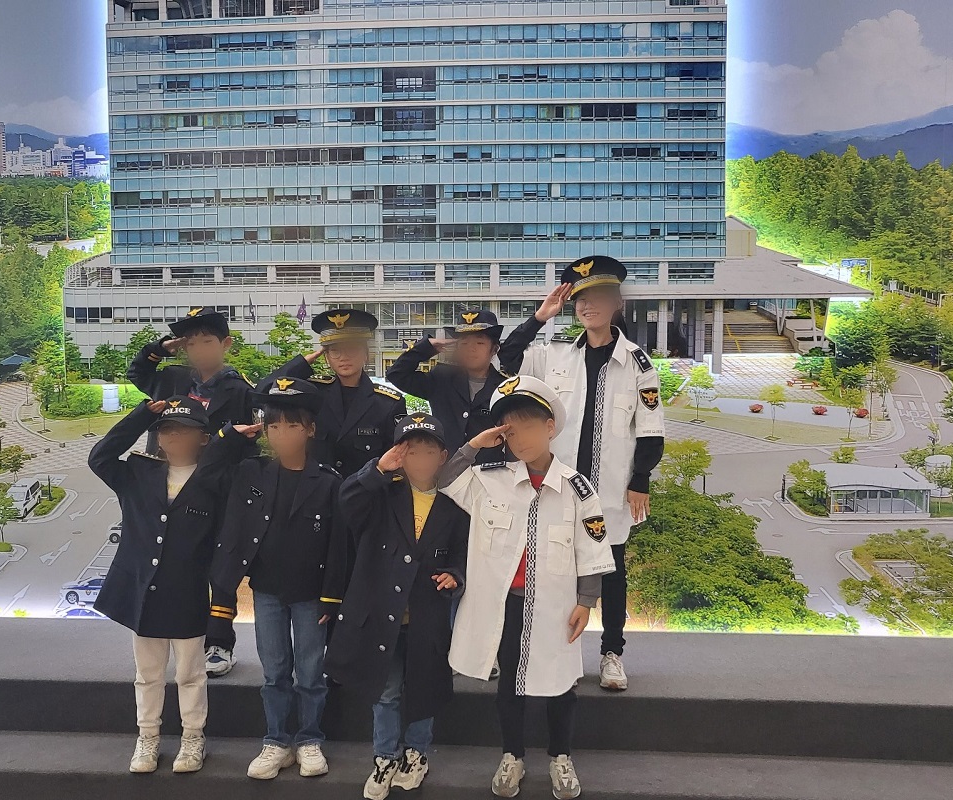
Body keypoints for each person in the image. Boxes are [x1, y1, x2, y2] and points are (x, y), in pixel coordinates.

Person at [439, 375, 616, 800]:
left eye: (529, 426)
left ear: (550, 427)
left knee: (561, 683)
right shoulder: (490, 479)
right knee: (509, 684)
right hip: (507, 606)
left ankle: (560, 756)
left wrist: (586, 600)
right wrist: (474, 445)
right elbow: (443, 479)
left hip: (556, 606)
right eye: (510, 430)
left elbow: (590, 547)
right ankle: (512, 755)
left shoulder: (577, 489)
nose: (520, 439)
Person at [498, 257, 666, 692]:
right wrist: (539, 317)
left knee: (611, 570)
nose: (589, 307)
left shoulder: (638, 363)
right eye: (581, 300)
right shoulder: (555, 355)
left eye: (598, 298)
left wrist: (640, 480)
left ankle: (612, 653)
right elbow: (506, 359)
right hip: (561, 487)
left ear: (617, 303)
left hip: (610, 489)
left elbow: (650, 428)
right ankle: (558, 654)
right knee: (555, 569)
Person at [89, 396, 259, 775]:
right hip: (143, 592)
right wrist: (140, 416)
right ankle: (147, 737)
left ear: (203, 438)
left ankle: (193, 737)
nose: (175, 437)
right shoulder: (139, 473)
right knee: (148, 673)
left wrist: (231, 438)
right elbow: (100, 458)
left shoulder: (215, 480)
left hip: (188, 592)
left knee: (190, 673)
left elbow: (245, 475)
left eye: (185, 431)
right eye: (167, 430)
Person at [325, 413, 468, 800]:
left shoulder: (455, 502)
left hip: (427, 615)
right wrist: (377, 469)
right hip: (381, 616)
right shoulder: (382, 494)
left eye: (428, 451)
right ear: (398, 455)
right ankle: (384, 756)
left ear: (443, 456)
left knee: (423, 688)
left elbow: (463, 551)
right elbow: (347, 502)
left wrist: (455, 574)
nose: (420, 460)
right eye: (411, 451)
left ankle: (416, 753)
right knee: (386, 692)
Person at [211, 374, 348, 781]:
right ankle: (276, 741)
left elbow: (338, 545)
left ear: (310, 430)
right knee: (274, 672)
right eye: (273, 426)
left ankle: (309, 740)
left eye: (292, 425)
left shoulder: (328, 481)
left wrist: (332, 596)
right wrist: (230, 435)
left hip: (311, 594)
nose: (282, 434)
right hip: (267, 590)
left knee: (310, 673)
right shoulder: (251, 472)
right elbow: (209, 468)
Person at [126, 306, 256, 679]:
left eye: (207, 342)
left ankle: (219, 643)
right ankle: (176, 637)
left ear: (225, 344)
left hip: (215, 492)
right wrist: (160, 349)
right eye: (191, 343)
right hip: (167, 485)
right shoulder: (173, 379)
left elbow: (247, 445)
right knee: (170, 565)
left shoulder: (240, 390)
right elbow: (137, 373)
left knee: (219, 569)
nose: (199, 350)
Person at [272, 308, 406, 478]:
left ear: (366, 354)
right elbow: (264, 392)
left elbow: (397, 462)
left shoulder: (389, 403)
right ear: (326, 357)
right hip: (316, 491)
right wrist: (302, 364)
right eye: (335, 351)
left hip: (366, 492)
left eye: (351, 348)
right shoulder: (313, 393)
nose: (343, 357)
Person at [384, 308, 507, 463]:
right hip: (445, 470)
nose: (471, 348)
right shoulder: (442, 378)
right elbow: (397, 374)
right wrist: (425, 348)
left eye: (480, 342)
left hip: (489, 471)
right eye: (464, 343)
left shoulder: (505, 387)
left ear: (494, 349)